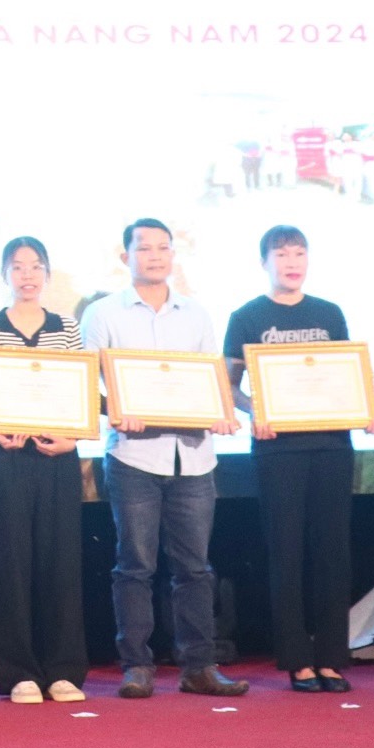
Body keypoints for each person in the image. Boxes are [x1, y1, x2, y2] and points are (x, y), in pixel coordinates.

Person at [77, 217, 248, 699]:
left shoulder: (196, 314)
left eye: (163, 248)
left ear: (173, 255)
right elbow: (88, 382)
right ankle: (137, 665)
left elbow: (212, 378)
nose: (155, 255)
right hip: (134, 455)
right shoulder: (104, 313)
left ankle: (200, 666)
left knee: (195, 568)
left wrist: (222, 413)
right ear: (125, 255)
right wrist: (116, 410)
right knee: (135, 565)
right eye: (144, 248)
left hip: (193, 457)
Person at [226, 226, 374, 693]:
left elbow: (345, 376)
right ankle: (297, 659)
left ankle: (332, 657)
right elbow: (229, 383)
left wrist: (367, 410)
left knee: (333, 553)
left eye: (299, 252)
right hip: (278, 450)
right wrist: (257, 412)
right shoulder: (246, 316)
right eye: (281, 254)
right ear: (264, 262)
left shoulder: (329, 313)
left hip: (332, 446)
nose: (291, 261)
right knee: (287, 553)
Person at [0, 236, 89, 705]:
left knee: (60, 565)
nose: (27, 275)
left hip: (57, 460)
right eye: (17, 267)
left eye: (35, 266)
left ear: (47, 273)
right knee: (11, 565)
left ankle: (62, 670)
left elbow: (79, 394)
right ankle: (18, 672)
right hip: (6, 460)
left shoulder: (66, 327)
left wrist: (73, 439)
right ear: (4, 274)